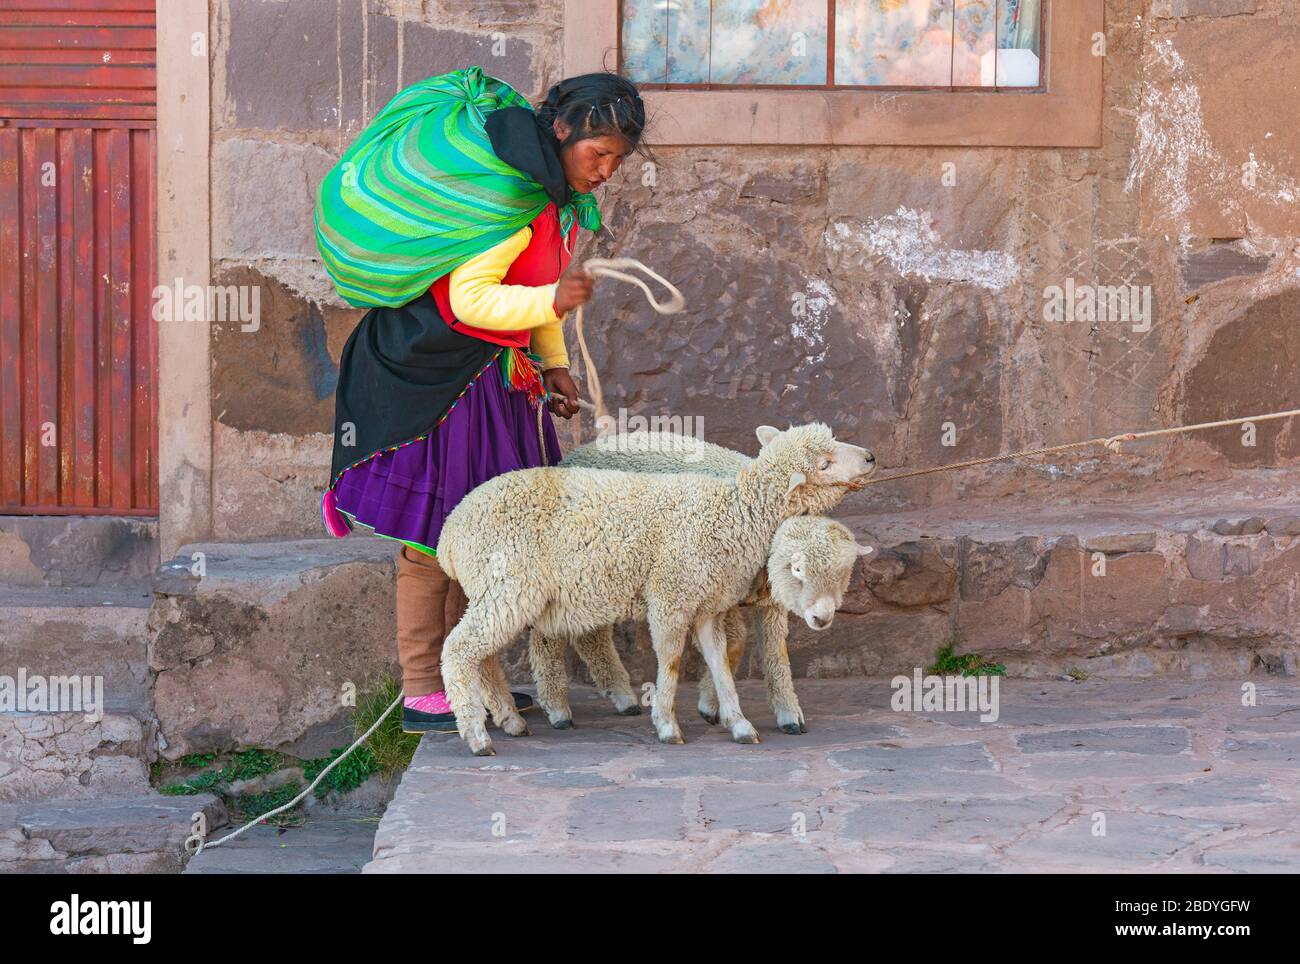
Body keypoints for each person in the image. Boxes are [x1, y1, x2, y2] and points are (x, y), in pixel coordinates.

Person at [323, 72, 646, 733]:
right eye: (599, 153)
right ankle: (421, 691)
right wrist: (549, 306)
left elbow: (538, 286)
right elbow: (470, 299)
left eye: (618, 158)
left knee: (486, 542)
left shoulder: (552, 201)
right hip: (437, 382)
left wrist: (553, 363)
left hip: (495, 379)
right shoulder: (508, 195)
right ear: (561, 132)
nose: (608, 170)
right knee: (432, 540)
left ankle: (467, 681)